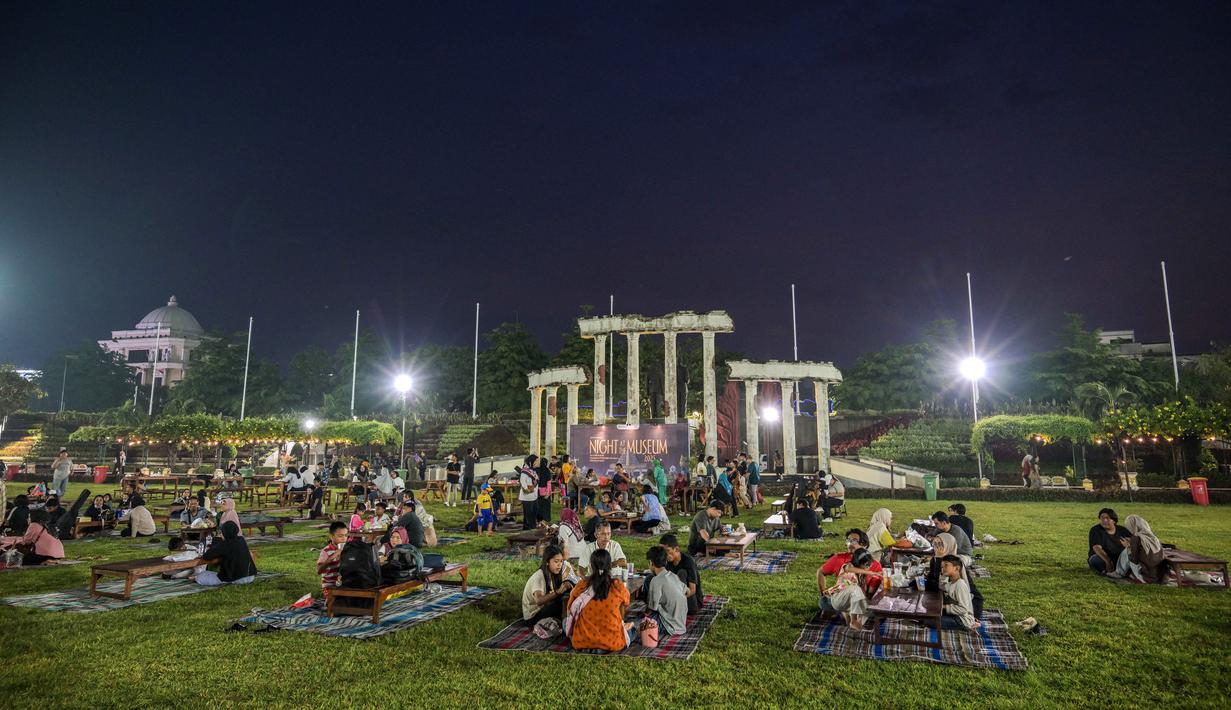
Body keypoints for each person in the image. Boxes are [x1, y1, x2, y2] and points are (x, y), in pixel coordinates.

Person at [566, 548, 634, 652]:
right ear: (609, 566)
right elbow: (626, 603)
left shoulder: (582, 585)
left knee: (564, 622)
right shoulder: (617, 585)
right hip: (612, 642)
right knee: (632, 629)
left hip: (583, 641)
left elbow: (570, 609)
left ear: (591, 566)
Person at [817, 529, 883, 629]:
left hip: (857, 599)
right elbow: (821, 572)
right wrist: (822, 591)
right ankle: (852, 620)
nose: (850, 544)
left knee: (872, 608)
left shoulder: (874, 565)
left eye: (854, 541)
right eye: (848, 540)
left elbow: (870, 595)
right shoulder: (842, 561)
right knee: (852, 591)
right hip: (840, 597)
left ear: (864, 545)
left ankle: (850, 619)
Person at [924, 532, 984, 620]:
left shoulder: (954, 564)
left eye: (940, 544)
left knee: (931, 619)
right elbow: (933, 579)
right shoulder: (935, 559)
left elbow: (938, 582)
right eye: (935, 544)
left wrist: (940, 559)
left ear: (949, 545)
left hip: (965, 605)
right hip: (948, 596)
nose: (937, 547)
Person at [521, 544, 575, 622]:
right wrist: (557, 592)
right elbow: (539, 600)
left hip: (543, 610)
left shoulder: (553, 574)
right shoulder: (539, 576)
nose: (559, 565)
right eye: (556, 561)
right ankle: (566, 623)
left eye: (561, 561)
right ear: (547, 562)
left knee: (568, 589)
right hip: (533, 616)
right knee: (558, 605)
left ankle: (568, 621)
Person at [645, 545, 688, 636]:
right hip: (681, 623)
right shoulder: (673, 576)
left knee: (637, 624)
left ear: (651, 563)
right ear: (665, 561)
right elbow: (686, 591)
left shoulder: (656, 580)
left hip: (669, 625)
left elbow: (652, 608)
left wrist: (645, 614)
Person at [196, 521, 257, 586]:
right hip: (250, 576)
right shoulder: (241, 540)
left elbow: (206, 556)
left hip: (236, 579)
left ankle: (195, 578)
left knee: (201, 575)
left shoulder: (224, 544)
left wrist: (216, 545)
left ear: (223, 533)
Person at [1112, 514, 1165, 583]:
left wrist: (1128, 547)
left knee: (1126, 551)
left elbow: (1134, 560)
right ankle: (1119, 572)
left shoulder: (1136, 538)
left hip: (1145, 577)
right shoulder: (1153, 537)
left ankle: (1119, 573)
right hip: (1158, 575)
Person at [660, 533, 704, 614]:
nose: (665, 554)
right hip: (674, 597)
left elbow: (692, 590)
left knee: (682, 572)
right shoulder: (666, 561)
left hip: (691, 600)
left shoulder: (688, 561)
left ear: (676, 549)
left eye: (667, 551)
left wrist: (677, 600)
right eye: (663, 551)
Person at [938, 555, 981, 630]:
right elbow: (942, 586)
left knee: (931, 621)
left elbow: (963, 609)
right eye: (942, 567)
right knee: (932, 617)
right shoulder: (952, 583)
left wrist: (943, 607)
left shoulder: (960, 585)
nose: (943, 568)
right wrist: (943, 575)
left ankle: (971, 624)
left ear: (957, 568)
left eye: (946, 565)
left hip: (962, 620)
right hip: (956, 616)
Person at [1088, 507, 1131, 575]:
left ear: (1114, 520)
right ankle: (1106, 572)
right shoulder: (1095, 530)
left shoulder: (1123, 530)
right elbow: (1097, 548)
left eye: (1107, 518)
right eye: (1102, 518)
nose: (1104, 520)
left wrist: (1129, 545)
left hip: (1120, 558)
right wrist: (1108, 561)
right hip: (1104, 558)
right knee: (1094, 559)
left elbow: (1132, 543)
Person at [317, 521, 348, 592]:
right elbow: (319, 571)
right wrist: (332, 557)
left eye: (346, 535)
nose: (344, 538)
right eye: (340, 536)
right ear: (331, 536)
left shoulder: (348, 549)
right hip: (330, 585)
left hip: (345, 583)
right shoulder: (326, 551)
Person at [518, 456, 539, 530]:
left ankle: (532, 526)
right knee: (528, 513)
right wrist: (527, 489)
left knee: (534, 511)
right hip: (527, 496)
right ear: (531, 462)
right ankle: (528, 527)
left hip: (534, 495)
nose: (537, 462)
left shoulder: (533, 470)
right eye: (536, 461)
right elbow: (522, 481)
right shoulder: (525, 472)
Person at [536, 456, 554, 523]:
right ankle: (546, 519)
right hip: (545, 491)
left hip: (537, 491)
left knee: (539, 506)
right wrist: (548, 493)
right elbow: (548, 483)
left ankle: (538, 519)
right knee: (546, 507)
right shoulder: (547, 471)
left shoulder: (537, 470)